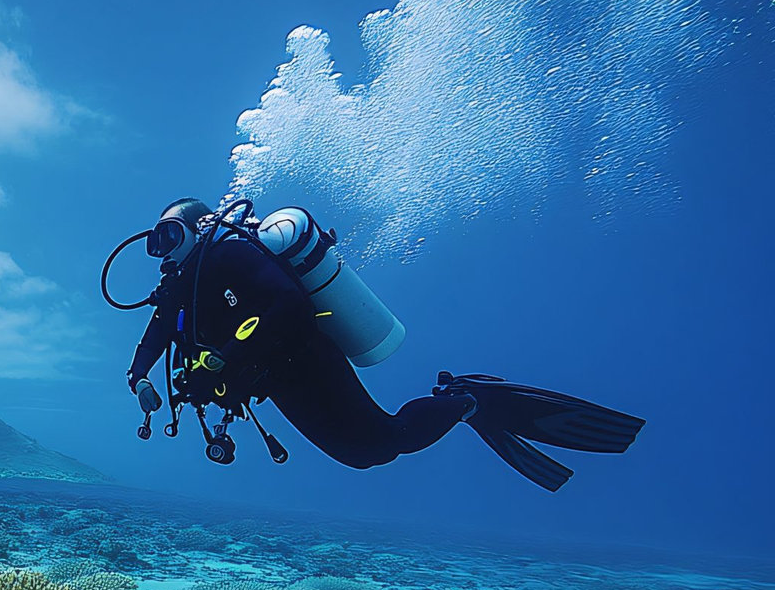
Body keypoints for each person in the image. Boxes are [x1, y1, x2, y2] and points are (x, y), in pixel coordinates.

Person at [114, 198, 644, 491]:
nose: (160, 250)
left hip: (305, 360)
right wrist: (139, 378)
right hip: (273, 379)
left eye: (166, 234)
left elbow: (289, 307)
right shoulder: (183, 284)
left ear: (194, 228)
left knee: (384, 441)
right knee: (358, 455)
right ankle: (459, 400)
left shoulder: (227, 255)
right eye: (154, 242)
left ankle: (464, 399)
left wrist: (227, 357)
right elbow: (157, 330)